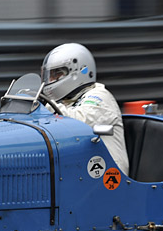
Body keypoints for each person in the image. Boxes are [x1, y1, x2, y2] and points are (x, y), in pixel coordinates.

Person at [40, 43, 129, 173]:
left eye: (56, 74)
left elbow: (79, 123)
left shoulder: (100, 96)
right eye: (50, 75)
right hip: (82, 172)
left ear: (78, 71)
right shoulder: (67, 101)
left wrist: (45, 106)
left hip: (109, 177)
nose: (51, 80)